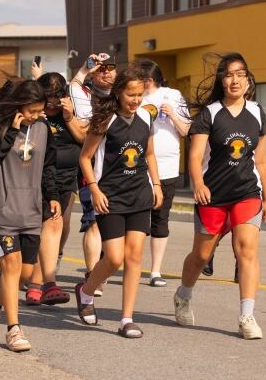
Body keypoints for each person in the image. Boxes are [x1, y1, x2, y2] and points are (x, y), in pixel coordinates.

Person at [174, 53, 266, 340]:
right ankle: (183, 295)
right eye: (229, 74)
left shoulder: (257, 112)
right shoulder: (210, 113)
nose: (235, 79)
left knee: (247, 251)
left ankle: (247, 316)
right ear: (221, 80)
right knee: (201, 256)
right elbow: (194, 156)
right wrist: (198, 184)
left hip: (247, 193)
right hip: (213, 195)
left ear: (248, 80)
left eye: (240, 74)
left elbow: (262, 160)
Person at [74, 65, 163, 339]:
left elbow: (148, 155)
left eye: (140, 94)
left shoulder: (146, 118)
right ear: (118, 93)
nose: (136, 100)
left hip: (139, 195)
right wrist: (95, 190)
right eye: (131, 95)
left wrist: (157, 185)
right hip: (109, 197)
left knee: (134, 256)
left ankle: (127, 318)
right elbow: (85, 158)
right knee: (113, 258)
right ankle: (86, 291)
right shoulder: (105, 121)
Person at [0, 79, 59, 352]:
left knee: (23, 275)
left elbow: (48, 165)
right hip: (2, 209)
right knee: (10, 266)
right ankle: (14, 330)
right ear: (18, 105)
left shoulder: (43, 128)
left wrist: (53, 195)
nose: (36, 116)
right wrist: (11, 130)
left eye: (39, 111)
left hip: (31, 210)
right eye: (32, 111)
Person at [25, 71, 86, 306]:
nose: (52, 102)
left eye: (56, 96)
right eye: (47, 96)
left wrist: (69, 117)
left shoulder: (68, 115)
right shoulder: (33, 115)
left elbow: (83, 140)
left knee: (58, 226)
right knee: (42, 229)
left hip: (66, 179)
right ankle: (37, 281)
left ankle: (41, 279)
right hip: (36, 180)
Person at [137, 59, 190, 287]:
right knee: (137, 218)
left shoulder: (173, 95)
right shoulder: (134, 96)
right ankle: (132, 264)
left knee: (161, 217)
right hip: (137, 165)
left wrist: (173, 115)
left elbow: (187, 129)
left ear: (149, 79)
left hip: (167, 165)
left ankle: (155, 271)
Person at [69, 54, 117, 293]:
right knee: (93, 221)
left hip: (120, 168)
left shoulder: (125, 96)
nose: (105, 72)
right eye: (100, 69)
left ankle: (104, 265)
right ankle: (91, 275)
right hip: (92, 166)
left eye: (110, 68)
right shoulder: (86, 96)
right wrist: (85, 68)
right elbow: (74, 85)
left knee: (117, 224)